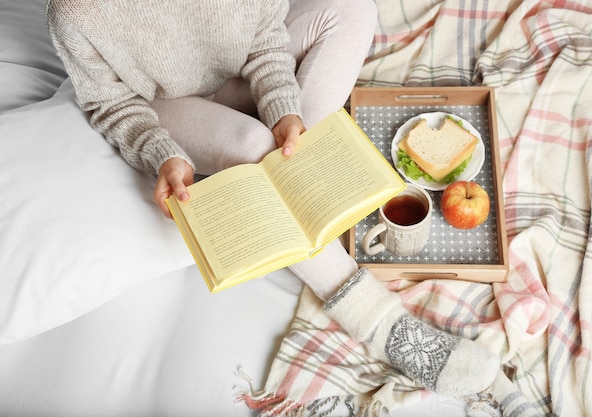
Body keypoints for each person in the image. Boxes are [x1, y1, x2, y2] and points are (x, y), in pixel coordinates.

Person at [47, 0, 503, 399]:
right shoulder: (74, 11)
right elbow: (111, 105)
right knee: (252, 145)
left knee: (355, 8)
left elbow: (265, 36)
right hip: (166, 104)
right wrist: (163, 153)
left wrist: (284, 108)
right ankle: (383, 326)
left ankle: (299, 165)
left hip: (242, 68)